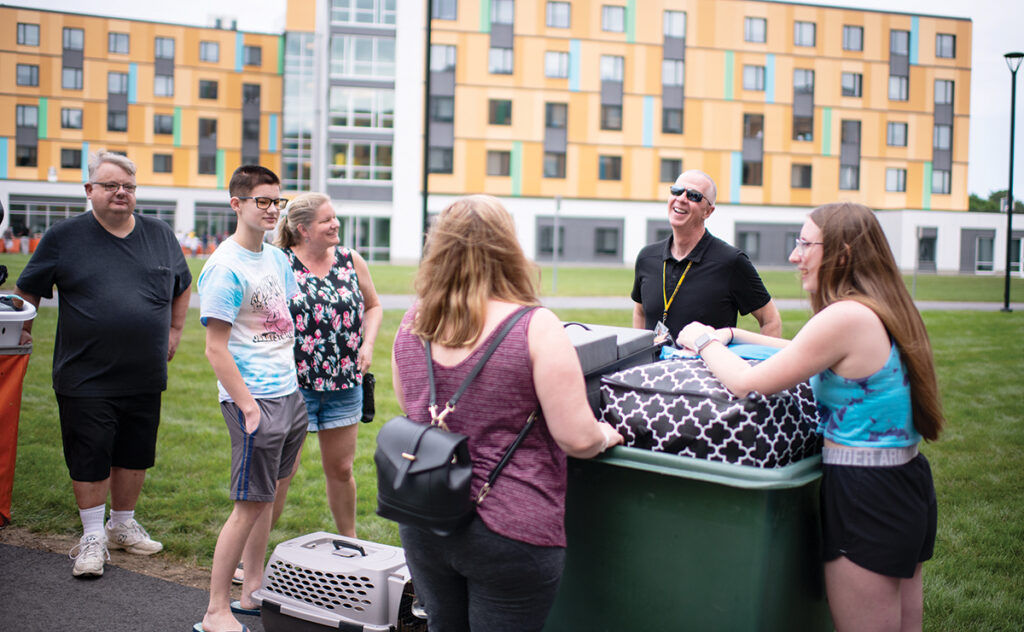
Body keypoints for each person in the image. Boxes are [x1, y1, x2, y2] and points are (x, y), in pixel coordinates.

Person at [677, 202, 942, 631]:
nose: (794, 256)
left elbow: (746, 383)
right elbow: (806, 354)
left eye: (804, 243)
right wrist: (735, 334)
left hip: (865, 495)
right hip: (903, 482)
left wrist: (703, 342)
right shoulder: (881, 306)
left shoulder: (844, 316)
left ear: (842, 253)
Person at [391, 194, 624, 632]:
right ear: (507, 248)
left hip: (425, 518)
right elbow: (577, 438)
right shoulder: (535, 326)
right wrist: (605, 435)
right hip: (511, 528)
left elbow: (411, 405)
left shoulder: (413, 322)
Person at [14, 150, 191, 577]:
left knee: (134, 453)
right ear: (89, 190)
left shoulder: (160, 234)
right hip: (84, 372)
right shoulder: (63, 236)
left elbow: (182, 284)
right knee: (90, 453)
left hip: (144, 373)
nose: (120, 193)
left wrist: (174, 331)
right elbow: (28, 289)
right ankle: (92, 536)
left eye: (128, 186)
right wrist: (21, 330)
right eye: (110, 185)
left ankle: (122, 526)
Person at [196, 165, 308, 632]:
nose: (271, 210)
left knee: (267, 498)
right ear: (237, 203)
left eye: (276, 201)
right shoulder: (225, 267)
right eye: (261, 201)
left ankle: (252, 589)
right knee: (247, 506)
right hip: (254, 400)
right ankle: (215, 611)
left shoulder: (277, 260)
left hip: (288, 393)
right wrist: (246, 407)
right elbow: (215, 348)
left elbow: (282, 324)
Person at [274, 192, 383, 537]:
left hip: (345, 383)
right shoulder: (279, 263)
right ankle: (251, 556)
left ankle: (349, 541)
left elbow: (374, 306)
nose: (336, 224)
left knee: (341, 469)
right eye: (326, 220)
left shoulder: (351, 260)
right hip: (293, 385)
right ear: (304, 229)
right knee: (282, 472)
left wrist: (367, 345)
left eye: (334, 217)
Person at [632, 169, 781, 342]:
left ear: (708, 212)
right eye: (677, 191)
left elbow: (770, 320)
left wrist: (761, 366)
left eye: (694, 196)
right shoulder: (646, 257)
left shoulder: (731, 262)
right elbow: (640, 312)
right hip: (657, 369)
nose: (681, 199)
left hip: (704, 369)